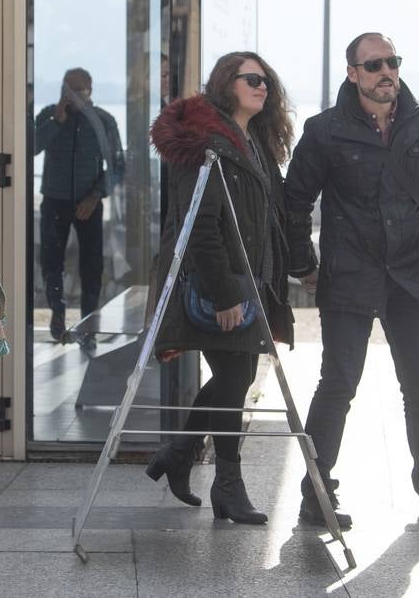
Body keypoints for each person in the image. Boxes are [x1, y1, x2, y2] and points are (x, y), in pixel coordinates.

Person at [284, 32, 419, 530]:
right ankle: (316, 496)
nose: (385, 71)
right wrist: (303, 263)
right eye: (373, 65)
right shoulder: (324, 130)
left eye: (392, 62)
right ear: (353, 73)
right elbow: (295, 201)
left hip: (413, 274)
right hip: (349, 276)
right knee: (338, 385)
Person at [145, 52, 295, 524]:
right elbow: (200, 225)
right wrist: (225, 293)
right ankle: (224, 483)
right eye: (251, 78)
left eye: (266, 79)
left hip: (250, 283)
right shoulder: (206, 143)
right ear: (224, 83)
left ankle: (182, 454)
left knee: (237, 380)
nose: (262, 86)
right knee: (234, 380)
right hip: (225, 286)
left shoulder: (252, 143)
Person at [33, 67, 123, 346]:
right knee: (51, 262)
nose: (71, 96)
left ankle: (89, 326)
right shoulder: (49, 114)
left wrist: (96, 195)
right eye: (67, 90)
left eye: (78, 91)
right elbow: (30, 148)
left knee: (92, 267)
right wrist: (56, 121)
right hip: (54, 200)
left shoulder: (104, 121)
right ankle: (57, 315)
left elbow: (118, 166)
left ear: (90, 91)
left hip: (89, 202)